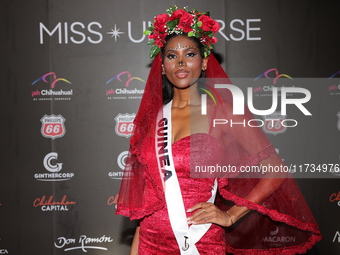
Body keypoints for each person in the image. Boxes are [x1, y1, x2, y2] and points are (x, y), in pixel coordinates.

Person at [117, 6, 321, 255]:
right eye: (171, 56)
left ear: (203, 62)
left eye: (189, 54)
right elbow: (149, 199)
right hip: (149, 242)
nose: (180, 62)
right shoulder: (152, 119)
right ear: (161, 65)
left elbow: (276, 170)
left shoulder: (223, 113)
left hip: (200, 241)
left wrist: (231, 215)